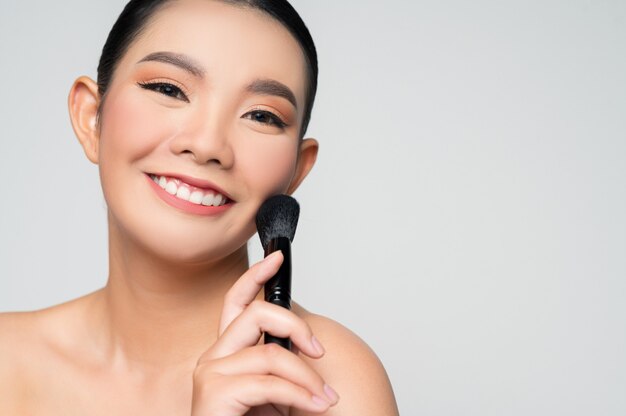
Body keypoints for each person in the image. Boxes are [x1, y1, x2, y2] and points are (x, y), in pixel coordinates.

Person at [0, 0, 399, 414]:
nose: (208, 145)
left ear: (297, 171)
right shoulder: (6, 360)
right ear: (91, 117)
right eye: (168, 89)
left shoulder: (330, 380)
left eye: (261, 116)